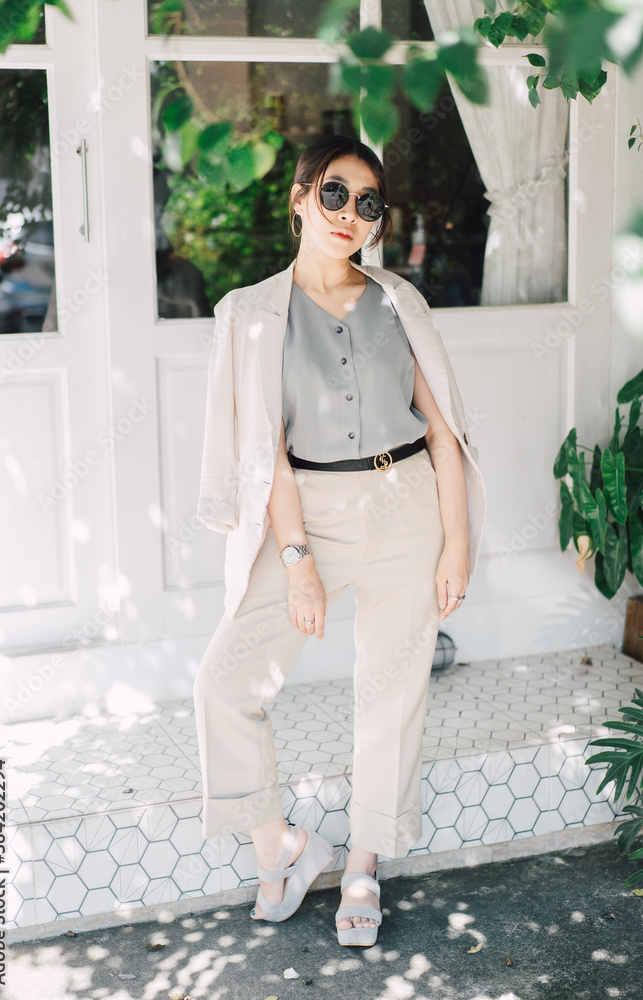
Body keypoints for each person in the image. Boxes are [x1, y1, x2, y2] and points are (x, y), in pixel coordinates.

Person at [193, 134, 487, 947]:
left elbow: (443, 433)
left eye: (366, 203)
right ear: (297, 198)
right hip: (307, 511)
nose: (348, 215)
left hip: (407, 506)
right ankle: (279, 846)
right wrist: (296, 562)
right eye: (332, 193)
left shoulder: (400, 301)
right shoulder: (250, 314)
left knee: (389, 695)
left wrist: (454, 543)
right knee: (225, 682)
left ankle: (362, 861)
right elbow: (268, 453)